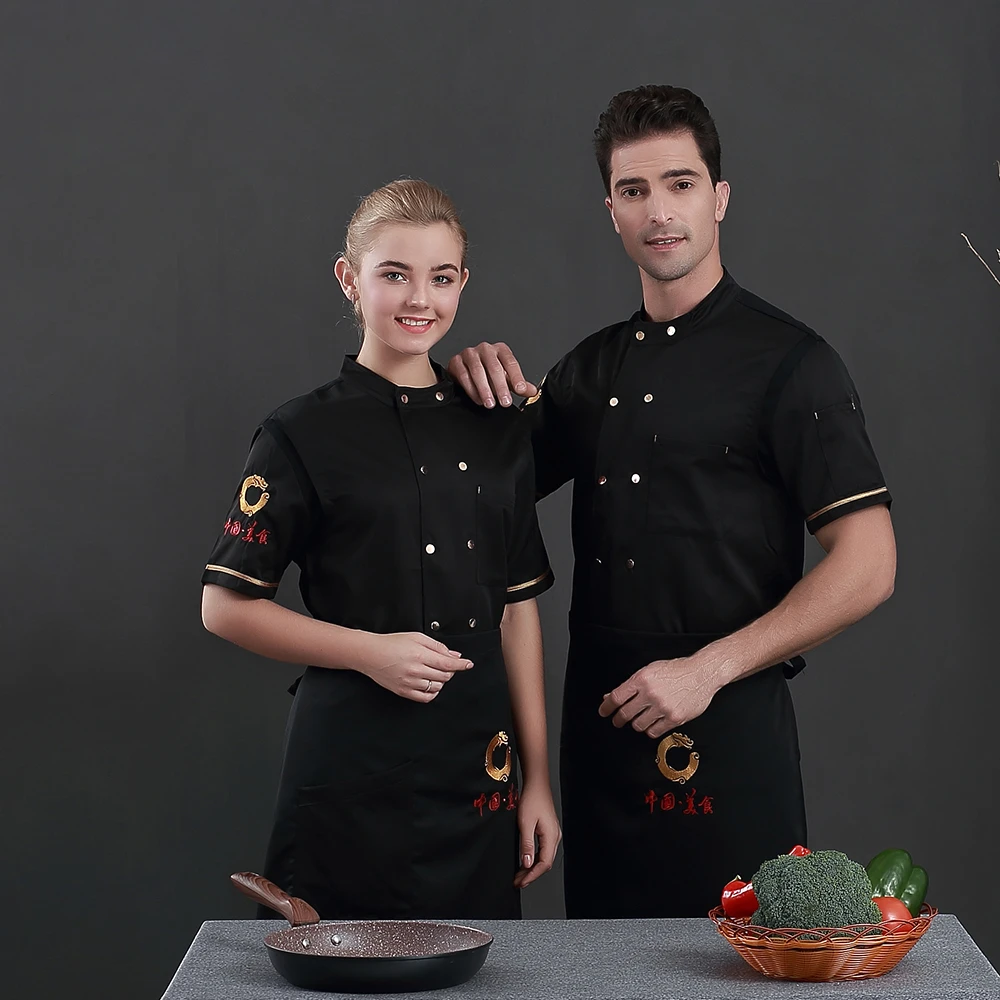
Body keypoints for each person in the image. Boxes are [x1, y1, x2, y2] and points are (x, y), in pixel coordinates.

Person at [448, 85, 896, 919]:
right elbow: (464, 488)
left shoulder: (794, 363)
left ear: (719, 198)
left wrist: (707, 671)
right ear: (611, 213)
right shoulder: (589, 371)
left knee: (742, 966)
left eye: (680, 184)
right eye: (634, 190)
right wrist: (457, 382)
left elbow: (871, 566)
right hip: (601, 743)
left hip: (729, 736)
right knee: (602, 968)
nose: (658, 211)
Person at [201, 179, 561, 921]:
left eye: (441, 277)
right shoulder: (299, 432)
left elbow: (517, 612)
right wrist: (370, 651)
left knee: (479, 965)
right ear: (349, 278)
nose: (419, 299)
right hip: (349, 764)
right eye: (395, 274)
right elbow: (224, 607)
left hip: (480, 769)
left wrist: (538, 782)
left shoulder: (498, 427)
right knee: (332, 964)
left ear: (463, 282)